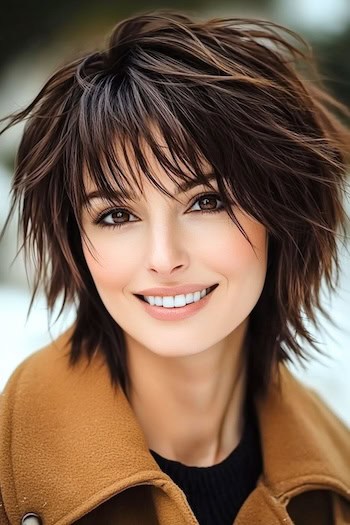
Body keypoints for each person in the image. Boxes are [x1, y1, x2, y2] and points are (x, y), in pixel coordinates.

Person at [0, 9, 349, 525]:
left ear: (282, 213)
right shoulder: (12, 468)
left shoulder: (337, 482)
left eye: (207, 202)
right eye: (116, 215)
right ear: (75, 243)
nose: (164, 258)